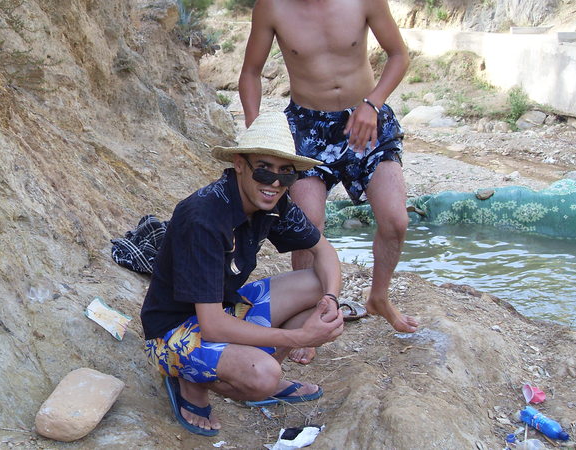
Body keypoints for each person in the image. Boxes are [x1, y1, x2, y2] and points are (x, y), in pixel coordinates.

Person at [140, 112, 344, 436]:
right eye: (264, 169)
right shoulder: (204, 217)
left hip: (223, 308)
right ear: (239, 164)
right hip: (171, 333)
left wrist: (331, 299)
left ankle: (257, 376)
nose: (274, 182)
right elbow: (212, 325)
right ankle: (190, 383)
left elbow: (324, 251)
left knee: (318, 284)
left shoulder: (274, 202)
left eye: (286, 173)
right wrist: (300, 338)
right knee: (263, 376)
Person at [238, 0, 419, 338]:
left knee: (396, 220)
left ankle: (379, 297)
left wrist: (373, 103)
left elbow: (398, 54)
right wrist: (255, 129)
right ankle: (306, 315)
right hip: (308, 128)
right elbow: (250, 72)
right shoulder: (272, 7)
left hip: (367, 120)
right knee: (308, 226)